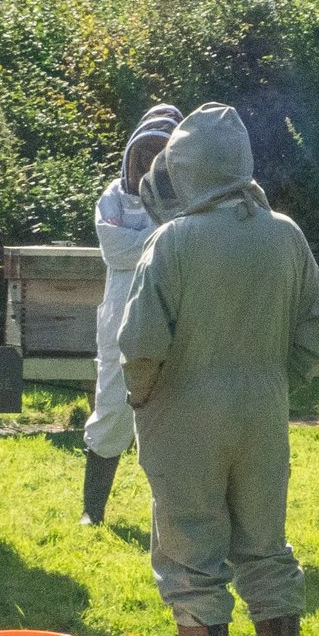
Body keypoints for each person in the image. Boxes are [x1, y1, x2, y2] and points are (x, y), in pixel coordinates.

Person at [118, 104, 319, 636]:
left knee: (190, 550)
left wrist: (142, 394)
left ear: (185, 169)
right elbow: (315, 328)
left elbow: (140, 344)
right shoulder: (285, 234)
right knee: (265, 547)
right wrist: (276, 384)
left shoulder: (174, 240)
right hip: (263, 416)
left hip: (183, 417)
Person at [80, 103, 182, 525]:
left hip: (173, 315)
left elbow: (177, 246)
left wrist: (145, 240)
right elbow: (113, 249)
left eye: (162, 152)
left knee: (174, 413)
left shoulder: (192, 196)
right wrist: (159, 238)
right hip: (120, 316)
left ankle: (176, 513)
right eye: (146, 152)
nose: (151, 161)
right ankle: (92, 510)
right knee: (112, 407)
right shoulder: (112, 195)